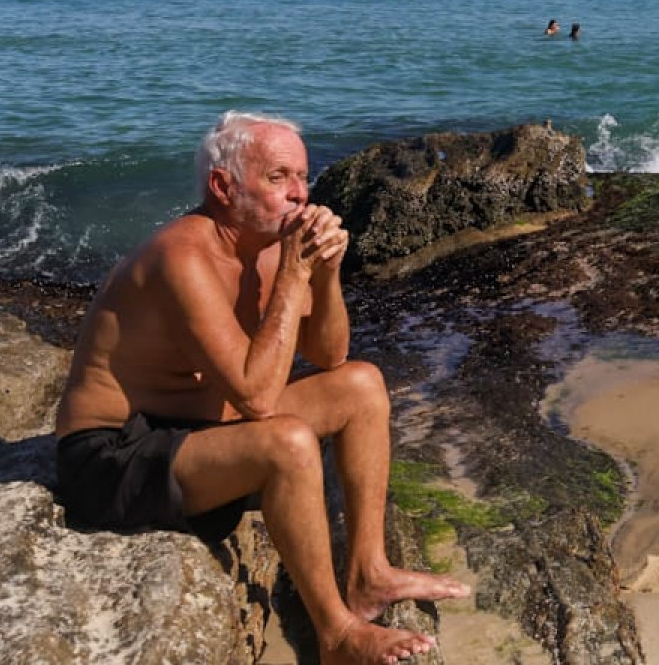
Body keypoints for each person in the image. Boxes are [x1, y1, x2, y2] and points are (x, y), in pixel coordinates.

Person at [54, 112, 466, 665]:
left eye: (303, 177)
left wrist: (325, 272)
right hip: (114, 456)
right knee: (287, 443)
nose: (300, 194)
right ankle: (336, 634)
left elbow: (330, 356)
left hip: (198, 427)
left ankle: (369, 573)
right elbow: (258, 399)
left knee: (362, 384)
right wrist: (295, 273)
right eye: (278, 178)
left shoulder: (268, 248)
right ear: (222, 186)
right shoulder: (182, 257)